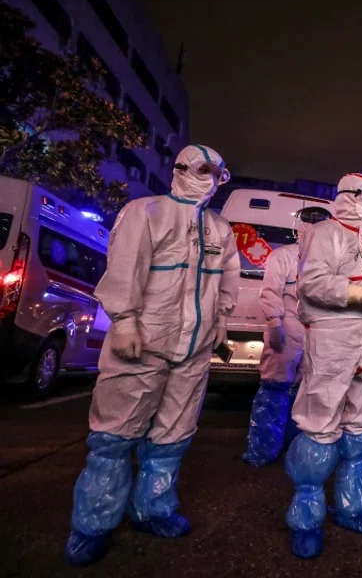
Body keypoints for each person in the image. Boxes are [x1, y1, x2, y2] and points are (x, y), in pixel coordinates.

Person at [65, 145, 240, 565]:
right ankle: (93, 524)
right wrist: (123, 320)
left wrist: (220, 322)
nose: (211, 178)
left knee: (173, 434)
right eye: (203, 169)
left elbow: (227, 280)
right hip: (142, 343)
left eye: (218, 172)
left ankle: (154, 509)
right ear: (178, 169)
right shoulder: (146, 212)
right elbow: (125, 267)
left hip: (194, 348)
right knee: (114, 435)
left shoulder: (219, 228)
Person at [283, 173, 362, 559]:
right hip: (332, 342)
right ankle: (307, 516)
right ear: (353, 196)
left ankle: (354, 504)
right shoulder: (324, 233)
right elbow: (312, 285)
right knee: (320, 425)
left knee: (360, 424)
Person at [242, 204, 332, 467]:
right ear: (299, 226)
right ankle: (263, 450)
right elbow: (270, 291)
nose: (314, 226)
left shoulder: (331, 261)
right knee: (275, 387)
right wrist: (274, 323)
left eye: (320, 221)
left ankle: (295, 451)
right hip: (289, 327)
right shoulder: (283, 256)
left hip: (318, 331)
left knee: (308, 393)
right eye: (309, 220)